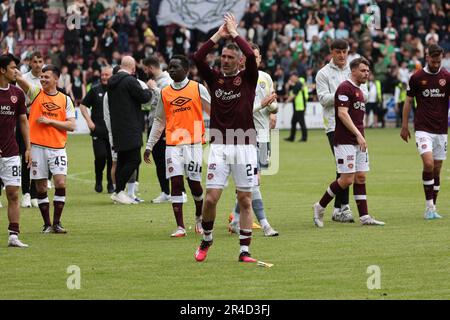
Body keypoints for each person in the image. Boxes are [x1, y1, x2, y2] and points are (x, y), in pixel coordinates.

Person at [192, 13, 259, 263]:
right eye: (224, 57)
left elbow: (252, 55)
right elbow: (197, 57)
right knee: (211, 198)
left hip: (245, 144)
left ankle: (244, 251)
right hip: (219, 144)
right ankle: (207, 238)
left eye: (231, 57)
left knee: (245, 198)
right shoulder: (214, 78)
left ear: (239, 61)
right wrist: (219, 35)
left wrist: (235, 34)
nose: (226, 60)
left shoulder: (248, 78)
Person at [313, 57, 385, 228]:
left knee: (361, 177)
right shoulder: (345, 88)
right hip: (345, 140)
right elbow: (342, 114)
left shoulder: (360, 90)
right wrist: (358, 135)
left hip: (358, 139)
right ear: (352, 71)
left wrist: (361, 136)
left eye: (367, 71)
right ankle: (320, 206)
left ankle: (365, 216)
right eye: (362, 70)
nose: (366, 73)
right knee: (346, 179)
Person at [144, 55, 211, 237]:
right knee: (176, 182)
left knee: (195, 184)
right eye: (170, 67)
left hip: (193, 144)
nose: (171, 70)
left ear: (186, 70)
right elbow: (159, 120)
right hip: (172, 145)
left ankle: (199, 215)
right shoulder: (165, 92)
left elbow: (213, 112)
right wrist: (150, 145)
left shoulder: (197, 88)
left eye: (175, 67)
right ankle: (180, 226)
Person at [16, 64, 76, 234]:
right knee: (41, 187)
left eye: (46, 77)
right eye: (41, 77)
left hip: (58, 148)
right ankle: (47, 224)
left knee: (60, 182)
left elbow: (71, 125)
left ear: (56, 79)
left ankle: (57, 223)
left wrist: (51, 122)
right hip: (37, 148)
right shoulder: (35, 93)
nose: (42, 79)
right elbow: (20, 79)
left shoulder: (65, 100)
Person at [229, 43, 279, 237]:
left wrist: (273, 109)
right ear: (242, 59)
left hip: (263, 135)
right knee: (253, 182)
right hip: (244, 135)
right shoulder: (237, 80)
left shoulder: (265, 78)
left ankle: (235, 220)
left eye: (256, 57)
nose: (254, 60)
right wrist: (263, 105)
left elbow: (271, 105)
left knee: (249, 182)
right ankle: (265, 224)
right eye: (250, 57)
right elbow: (238, 112)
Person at [315, 39, 367, 223]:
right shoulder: (323, 74)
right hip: (334, 125)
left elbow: (365, 94)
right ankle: (342, 207)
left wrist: (350, 94)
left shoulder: (354, 70)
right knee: (344, 168)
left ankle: (339, 208)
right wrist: (343, 94)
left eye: (345, 51)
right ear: (332, 52)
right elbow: (322, 99)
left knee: (348, 169)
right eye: (338, 52)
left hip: (355, 124)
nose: (342, 55)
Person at [400, 44, 450, 220]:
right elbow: (408, 102)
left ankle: (433, 207)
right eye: (433, 61)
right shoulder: (417, 77)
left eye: (439, 61)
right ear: (427, 57)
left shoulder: (447, 76)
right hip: (423, 129)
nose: (436, 64)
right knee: (428, 164)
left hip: (442, 130)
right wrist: (404, 125)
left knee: (437, 169)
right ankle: (429, 206)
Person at [107, 56, 152, 204]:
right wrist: (150, 89)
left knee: (122, 160)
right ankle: (119, 190)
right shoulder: (130, 81)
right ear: (133, 68)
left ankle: (119, 192)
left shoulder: (111, 82)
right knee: (134, 159)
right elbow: (144, 97)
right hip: (130, 127)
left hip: (118, 127)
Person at [0, 53, 30, 247]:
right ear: (2, 70)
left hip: (11, 151)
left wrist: (28, 147)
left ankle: (13, 235)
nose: (16, 71)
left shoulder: (17, 93)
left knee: (13, 193)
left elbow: (23, 121)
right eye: (12, 68)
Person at [142, 55, 172, 204]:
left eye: (145, 69)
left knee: (168, 159)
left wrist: (154, 88)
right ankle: (165, 191)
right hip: (154, 124)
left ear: (151, 68)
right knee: (159, 160)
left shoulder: (167, 81)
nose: (145, 72)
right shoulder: (155, 82)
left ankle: (178, 191)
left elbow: (169, 99)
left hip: (164, 126)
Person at [79, 66, 114, 194]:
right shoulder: (95, 90)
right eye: (102, 75)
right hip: (97, 130)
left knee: (111, 159)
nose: (104, 77)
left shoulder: (116, 90)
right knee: (101, 156)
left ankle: (111, 183)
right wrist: (89, 121)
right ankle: (98, 180)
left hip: (112, 132)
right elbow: (83, 106)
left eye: (107, 75)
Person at [18, 51, 44, 208]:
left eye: (40, 61)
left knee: (38, 158)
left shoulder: (45, 78)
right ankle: (26, 193)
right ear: (29, 63)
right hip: (26, 120)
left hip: (42, 122)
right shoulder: (24, 79)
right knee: (26, 156)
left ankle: (35, 194)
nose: (38, 65)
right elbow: (20, 103)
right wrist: (31, 104)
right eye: (35, 62)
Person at [285, 72, 308, 142]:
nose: (291, 79)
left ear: (295, 77)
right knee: (294, 122)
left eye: (292, 78)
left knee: (301, 122)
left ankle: (304, 138)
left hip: (300, 106)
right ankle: (292, 137)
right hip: (297, 106)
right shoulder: (298, 84)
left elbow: (293, 95)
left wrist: (286, 101)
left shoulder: (299, 84)